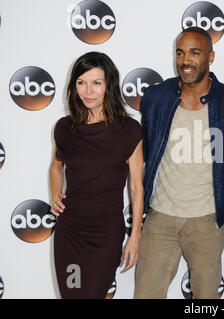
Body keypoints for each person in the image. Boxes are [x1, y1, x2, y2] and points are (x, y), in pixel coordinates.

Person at [134, 27, 224, 299]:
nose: (185, 61)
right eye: (180, 53)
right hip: (160, 218)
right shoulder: (157, 97)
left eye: (195, 52)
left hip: (206, 220)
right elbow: (146, 151)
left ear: (211, 56)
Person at [49, 51, 144, 299]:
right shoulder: (64, 129)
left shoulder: (129, 130)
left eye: (96, 83)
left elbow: (136, 186)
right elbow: (56, 166)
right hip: (70, 234)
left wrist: (135, 235)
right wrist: (55, 196)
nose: (88, 91)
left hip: (105, 236)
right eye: (81, 82)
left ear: (108, 85)